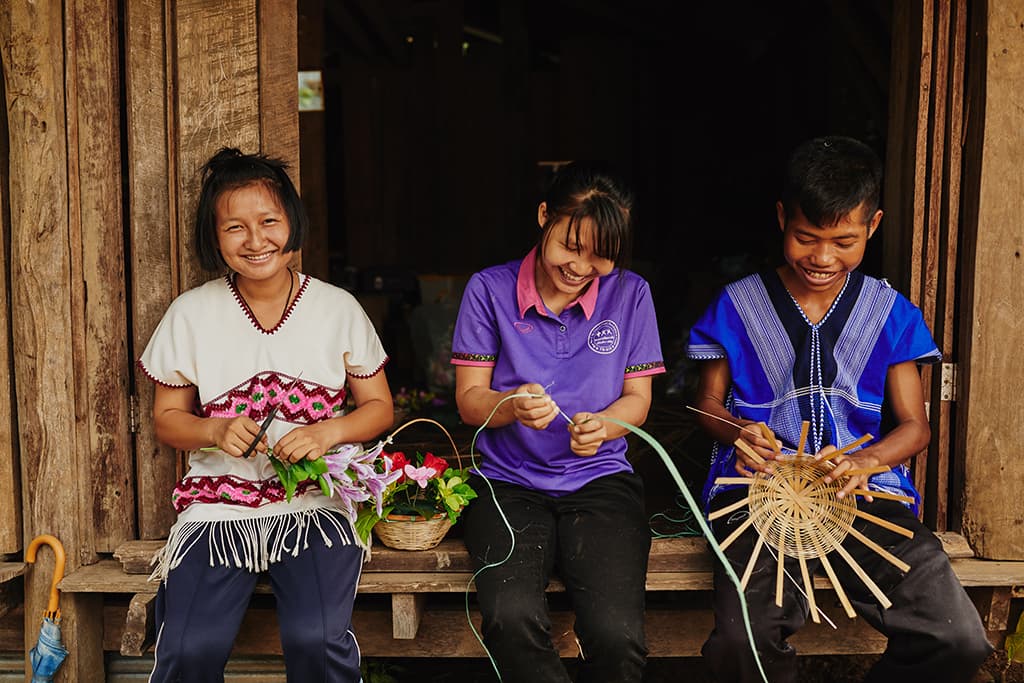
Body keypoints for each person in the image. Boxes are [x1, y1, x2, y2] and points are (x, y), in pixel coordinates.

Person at [687, 136, 992, 682]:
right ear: (782, 218)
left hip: (864, 497)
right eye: (806, 238)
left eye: (844, 241)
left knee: (958, 637)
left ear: (873, 226)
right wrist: (738, 429)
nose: (822, 257)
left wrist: (867, 461)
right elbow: (707, 403)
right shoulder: (737, 305)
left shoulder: (890, 313)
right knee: (742, 643)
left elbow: (915, 427)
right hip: (758, 499)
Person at [138, 147, 393, 682]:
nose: (255, 241)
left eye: (269, 221)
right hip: (219, 510)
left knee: (316, 639)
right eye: (235, 227)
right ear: (215, 236)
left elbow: (378, 408)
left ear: (292, 224)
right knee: (188, 647)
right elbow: (167, 419)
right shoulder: (192, 313)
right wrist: (213, 429)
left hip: (315, 505)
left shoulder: (336, 308)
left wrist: (328, 432)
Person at [451, 161, 665, 683]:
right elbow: (470, 401)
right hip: (506, 484)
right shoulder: (490, 290)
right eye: (571, 245)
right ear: (544, 215)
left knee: (617, 636)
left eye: (601, 254)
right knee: (510, 618)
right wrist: (510, 404)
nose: (581, 266)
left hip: (600, 482)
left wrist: (606, 426)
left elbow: (637, 400)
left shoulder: (631, 295)